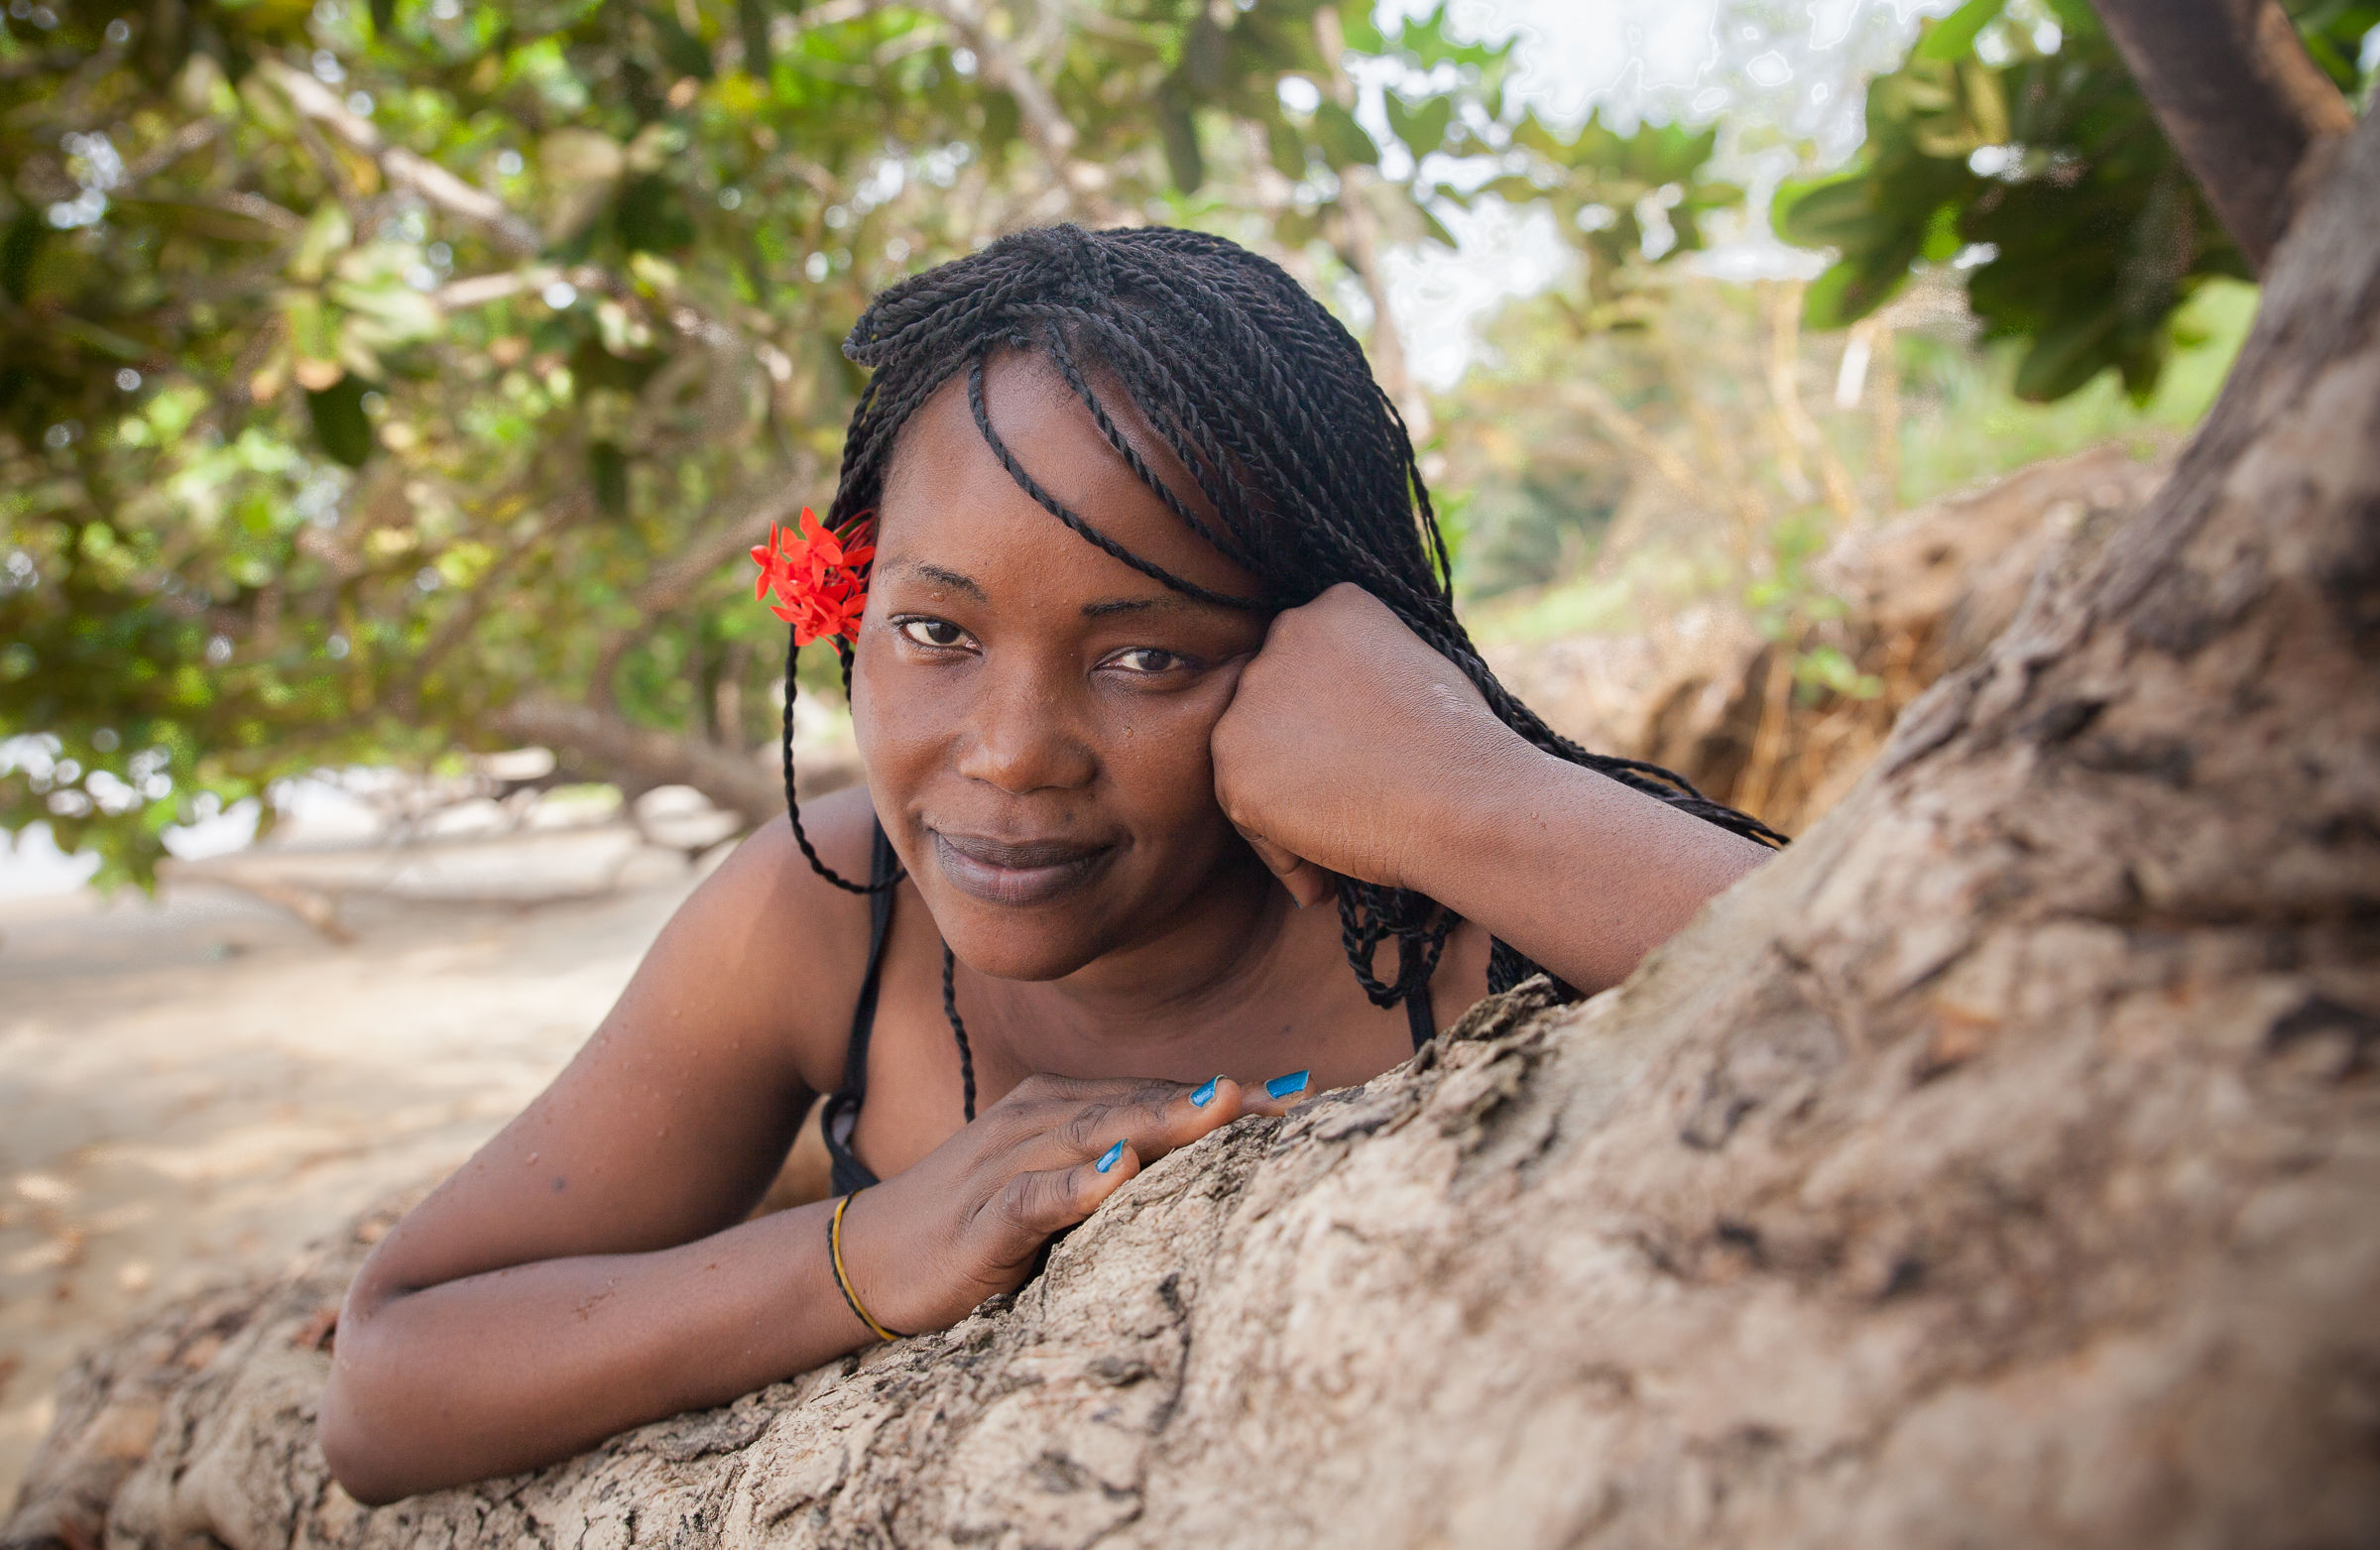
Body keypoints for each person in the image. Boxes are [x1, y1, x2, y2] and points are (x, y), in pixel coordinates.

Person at [315, 224, 1779, 1504]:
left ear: (1325, 658)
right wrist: (868, 1251)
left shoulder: (1485, 919)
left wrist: (1471, 793)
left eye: (1145, 657)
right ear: (851, 607)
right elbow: (386, 1383)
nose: (1013, 754)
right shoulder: (833, 916)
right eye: (934, 632)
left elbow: (1883, 993)